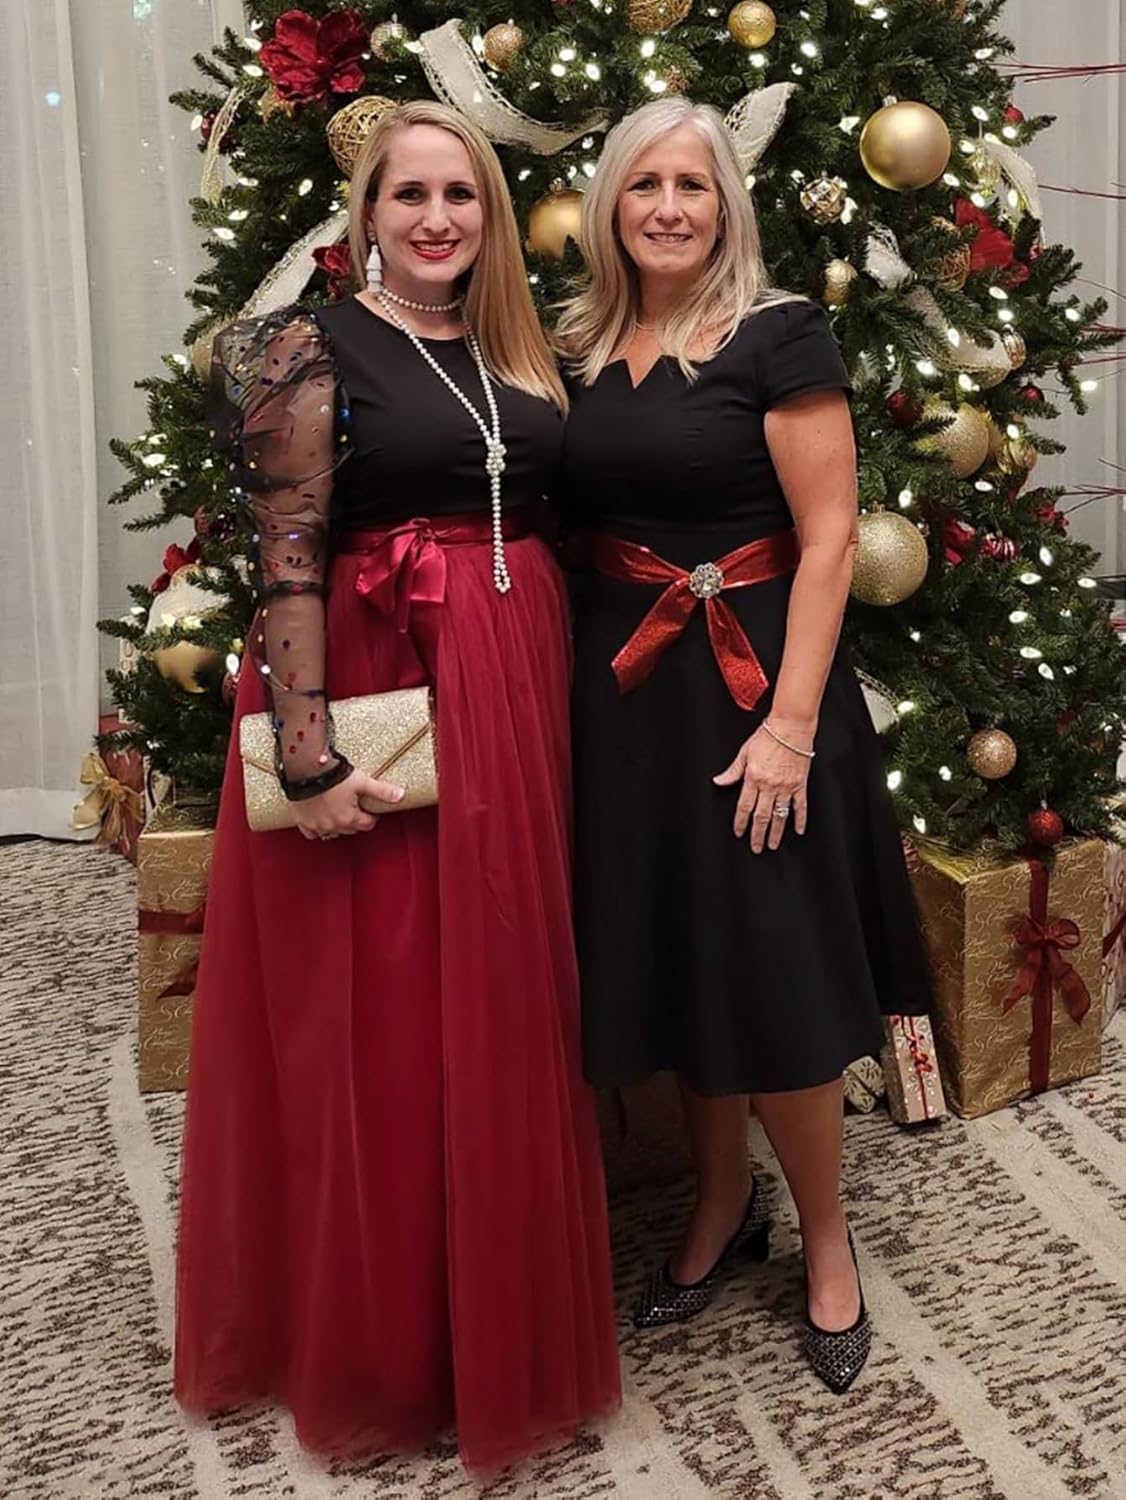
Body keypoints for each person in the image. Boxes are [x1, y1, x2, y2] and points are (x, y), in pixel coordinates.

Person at [175, 100, 620, 1471]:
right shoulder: (304, 345)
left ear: (492, 214)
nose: (435, 218)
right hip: (378, 688)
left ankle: (493, 1321)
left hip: (512, 682)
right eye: (408, 194)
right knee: (379, 1019)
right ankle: (385, 1349)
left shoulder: (517, 348)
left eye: (460, 195)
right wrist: (306, 752)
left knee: (500, 998)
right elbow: (286, 557)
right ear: (365, 212)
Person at [556, 96, 932, 1394]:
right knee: (678, 955)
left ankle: (827, 1239)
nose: (668, 206)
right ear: (610, 203)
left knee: (770, 965)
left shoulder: (779, 333)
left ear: (727, 204)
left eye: (693, 185)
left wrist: (788, 729)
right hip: (624, 701)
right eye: (644, 182)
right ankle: (721, 1205)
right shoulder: (577, 345)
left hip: (756, 689)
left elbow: (829, 538)